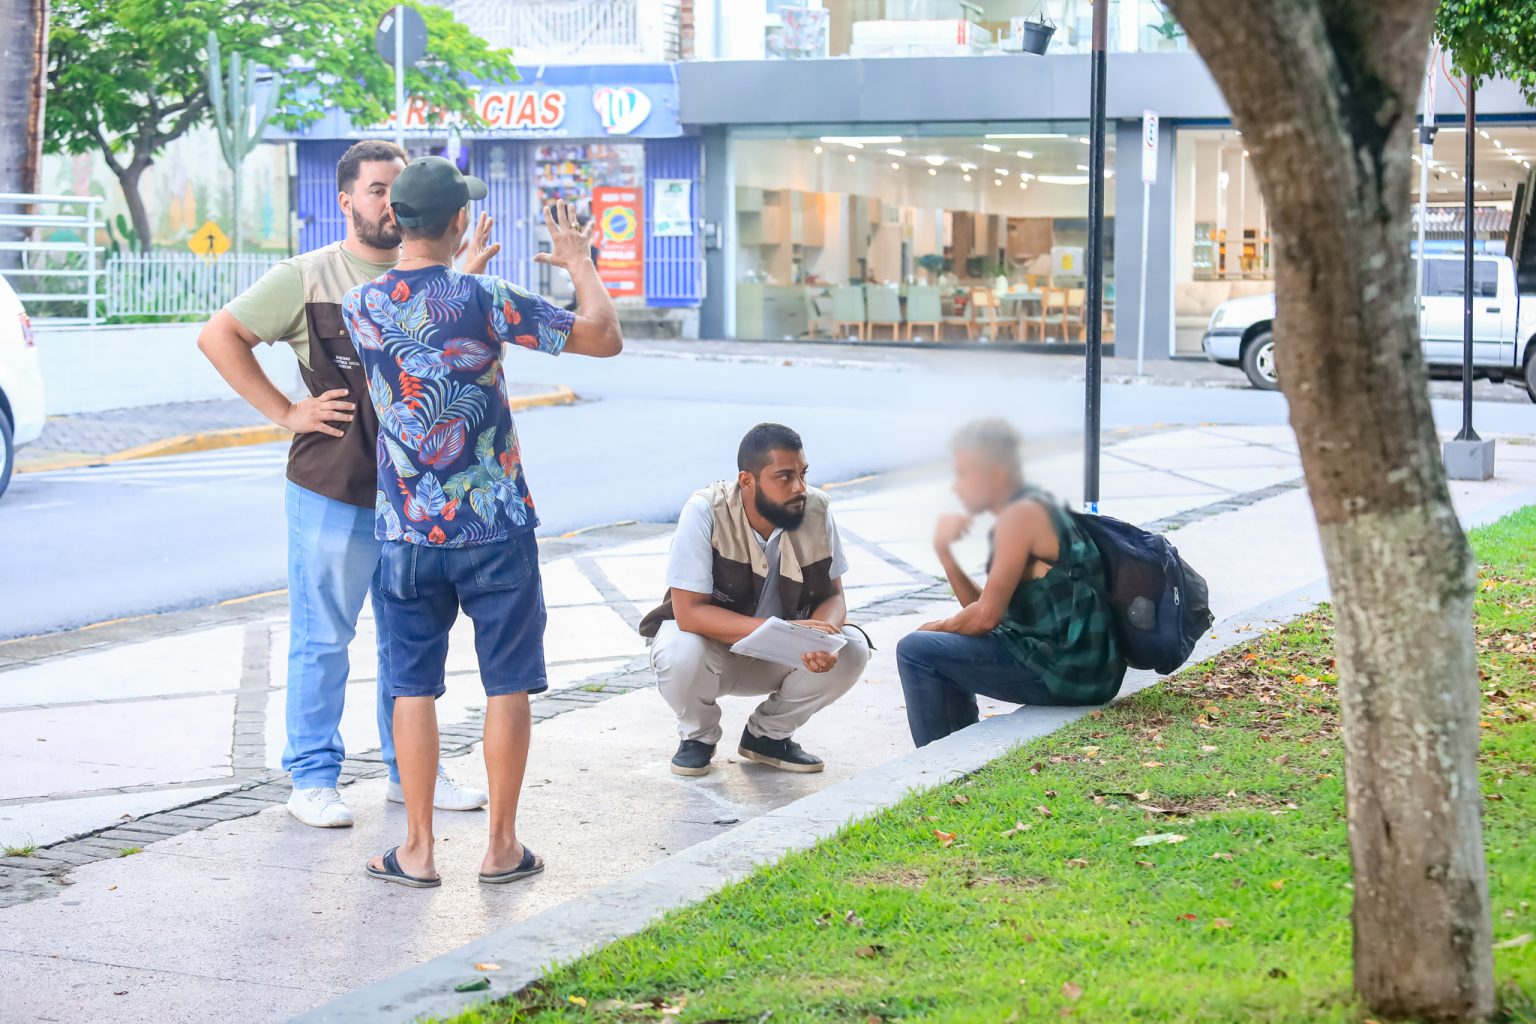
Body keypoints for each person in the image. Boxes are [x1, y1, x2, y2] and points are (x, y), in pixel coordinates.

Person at [198, 141, 494, 828]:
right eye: (375, 190)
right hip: (334, 487)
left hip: (416, 497)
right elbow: (219, 336)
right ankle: (312, 778)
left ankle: (411, 772)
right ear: (346, 201)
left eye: (398, 190)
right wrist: (286, 411)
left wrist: (463, 287)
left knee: (410, 641)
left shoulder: (435, 273)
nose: (389, 204)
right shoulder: (307, 277)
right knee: (324, 638)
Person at [346, 158, 623, 887]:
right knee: (506, 684)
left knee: (411, 686)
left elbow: (424, 331)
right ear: (460, 219)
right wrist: (578, 261)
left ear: (394, 218)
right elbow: (604, 336)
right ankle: (501, 848)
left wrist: (456, 280)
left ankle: (417, 850)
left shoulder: (360, 304)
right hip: (495, 524)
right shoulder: (488, 298)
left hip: (407, 529)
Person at [638, 424, 870, 777]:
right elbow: (688, 613)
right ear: (747, 480)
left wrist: (822, 636)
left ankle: (768, 736)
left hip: (783, 655)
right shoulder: (705, 511)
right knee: (678, 649)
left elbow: (834, 595)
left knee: (851, 648)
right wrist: (781, 629)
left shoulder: (816, 509)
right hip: (714, 651)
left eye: (803, 474)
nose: (799, 487)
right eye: (785, 477)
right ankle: (698, 737)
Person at [896, 419, 1127, 748]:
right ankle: (957, 752)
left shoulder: (1021, 518)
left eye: (963, 474)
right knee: (934, 644)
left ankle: (940, 764)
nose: (956, 488)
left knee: (915, 650)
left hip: (1069, 673)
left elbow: (984, 619)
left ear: (995, 474)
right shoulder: (1030, 508)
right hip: (1083, 669)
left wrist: (931, 628)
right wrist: (946, 554)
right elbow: (986, 612)